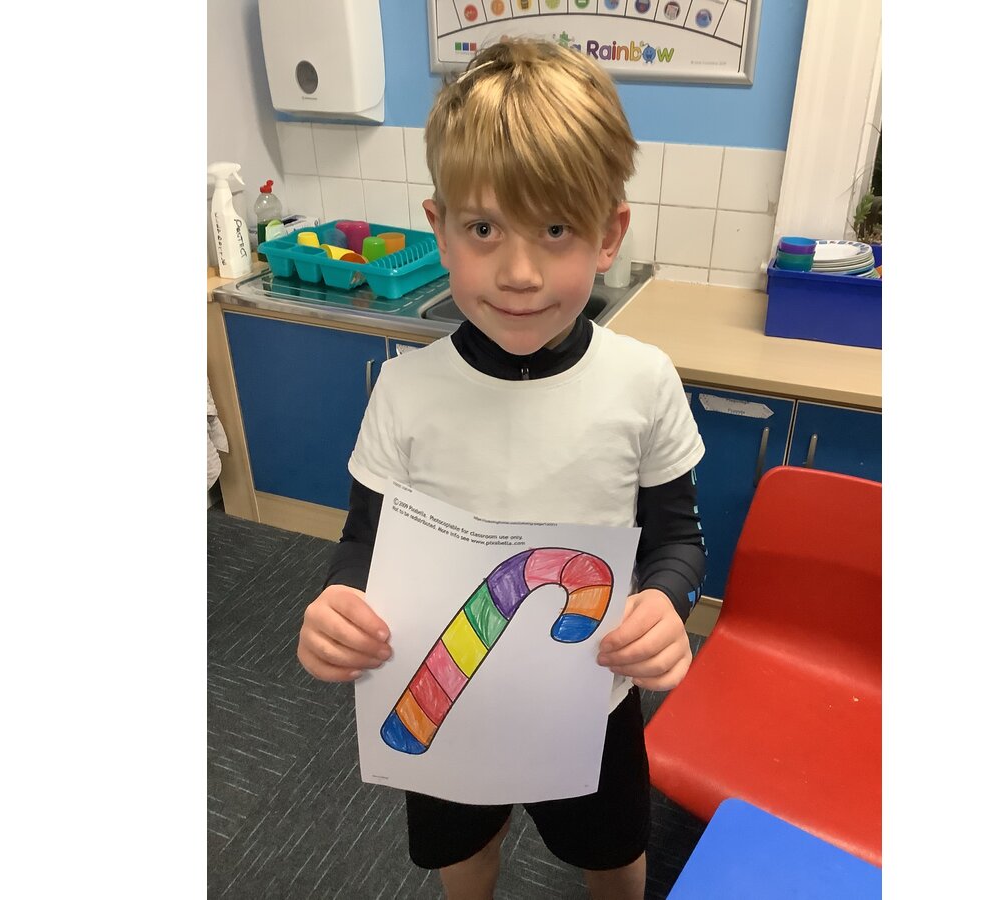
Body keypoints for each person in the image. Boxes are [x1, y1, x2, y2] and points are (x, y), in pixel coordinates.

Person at [295, 37, 706, 900]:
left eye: (555, 230)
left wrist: (665, 604)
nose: (519, 274)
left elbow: (677, 540)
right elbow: (364, 545)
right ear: (439, 229)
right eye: (484, 229)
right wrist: (337, 604)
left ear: (608, 235)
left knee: (613, 858)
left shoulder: (643, 382)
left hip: (591, 697)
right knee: (465, 854)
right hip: (443, 697)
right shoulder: (404, 392)